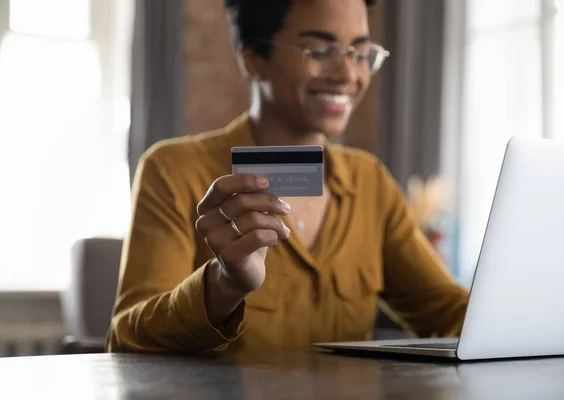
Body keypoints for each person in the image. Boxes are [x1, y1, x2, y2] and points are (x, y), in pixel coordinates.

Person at [107, 0, 468, 354]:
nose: (348, 75)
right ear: (252, 58)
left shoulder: (370, 181)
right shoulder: (174, 170)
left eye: (360, 53)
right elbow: (125, 338)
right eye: (318, 51)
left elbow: (449, 311)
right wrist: (224, 284)